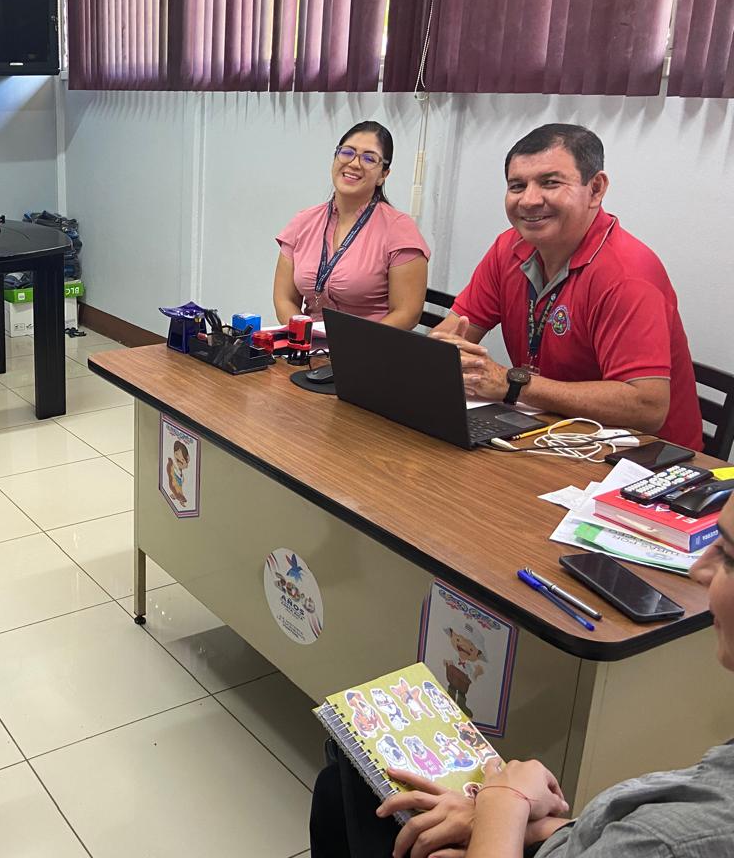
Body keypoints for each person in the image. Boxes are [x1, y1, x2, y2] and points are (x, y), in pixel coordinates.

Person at [311, 495, 734, 857]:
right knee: (344, 786)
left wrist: (502, 802)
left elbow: (650, 840)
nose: (699, 569)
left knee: (348, 790)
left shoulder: (676, 837)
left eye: (728, 557)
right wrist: (509, 825)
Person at [431, 123, 703, 449]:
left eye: (550, 183)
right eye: (517, 186)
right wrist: (443, 354)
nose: (529, 200)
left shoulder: (628, 274)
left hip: (643, 461)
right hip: (549, 432)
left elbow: (647, 406)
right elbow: (452, 336)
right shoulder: (508, 248)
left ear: (596, 189)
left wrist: (512, 384)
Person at [273, 121, 430, 329]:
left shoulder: (399, 230)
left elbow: (407, 313)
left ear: (383, 175)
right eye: (347, 152)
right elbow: (284, 299)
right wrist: (305, 337)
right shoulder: (303, 222)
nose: (354, 163)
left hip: (369, 350)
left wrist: (352, 346)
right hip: (308, 350)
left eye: (369, 158)